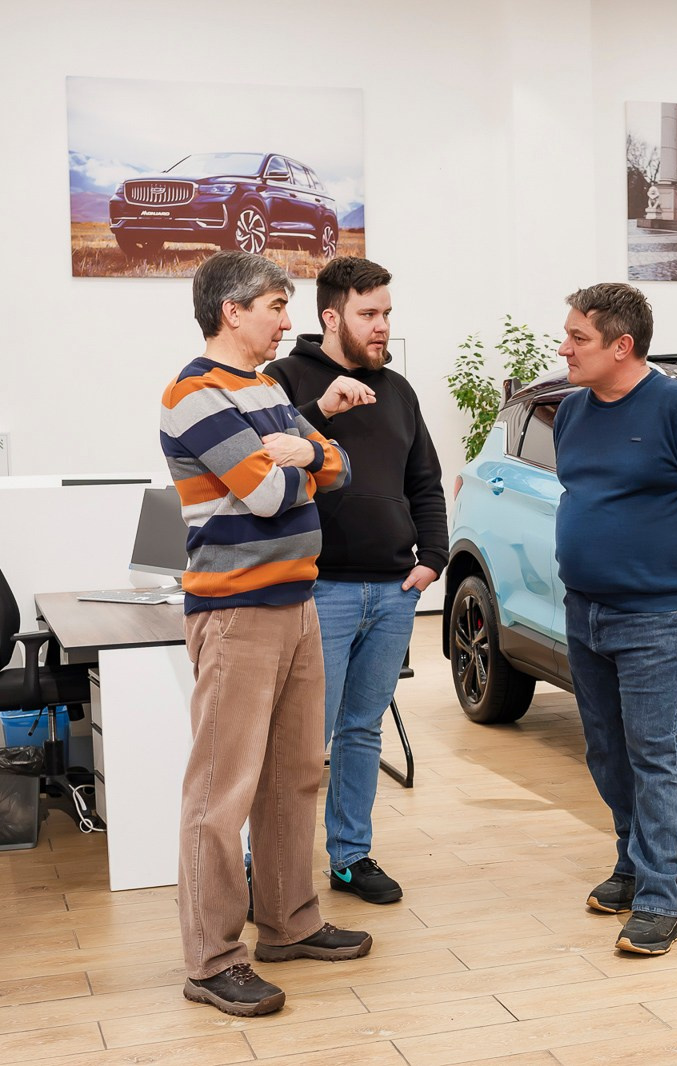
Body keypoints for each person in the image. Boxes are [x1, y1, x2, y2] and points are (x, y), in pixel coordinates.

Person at [159, 251, 374, 1017]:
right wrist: (306, 461)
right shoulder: (194, 394)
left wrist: (307, 450)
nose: (288, 321)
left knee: (293, 776)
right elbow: (268, 492)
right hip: (237, 613)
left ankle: (289, 922)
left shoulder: (267, 388)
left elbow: (339, 469)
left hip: (296, 603)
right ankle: (212, 959)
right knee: (222, 793)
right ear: (233, 310)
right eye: (277, 306)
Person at [551, 282, 677, 955]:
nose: (565, 347)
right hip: (584, 607)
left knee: (654, 751)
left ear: (622, 345)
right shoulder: (573, 412)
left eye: (578, 337)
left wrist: (672, 560)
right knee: (606, 749)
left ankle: (665, 897)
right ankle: (632, 864)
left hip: (654, 615)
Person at [264, 256, 446, 905]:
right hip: (321, 589)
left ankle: (350, 857)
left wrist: (433, 557)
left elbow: (424, 480)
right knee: (302, 740)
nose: (382, 326)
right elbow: (261, 457)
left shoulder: (398, 391)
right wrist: (321, 410)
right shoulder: (283, 379)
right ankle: (270, 868)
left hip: (394, 590)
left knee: (363, 730)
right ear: (332, 316)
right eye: (369, 314)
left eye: (387, 313)